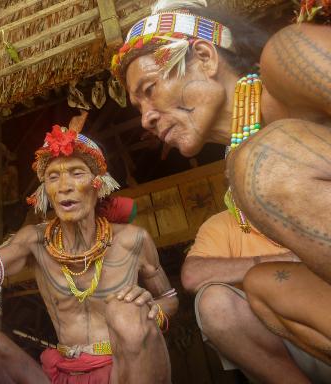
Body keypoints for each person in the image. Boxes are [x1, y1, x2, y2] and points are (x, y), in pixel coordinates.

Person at [111, 0, 331, 365]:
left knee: (261, 162)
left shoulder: (286, 58)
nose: (145, 119)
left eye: (149, 89)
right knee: (262, 286)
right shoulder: (247, 163)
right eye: (137, 108)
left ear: (205, 57)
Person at [0, 123, 179, 383]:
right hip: (63, 371)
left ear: (98, 184)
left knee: (128, 313)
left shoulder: (133, 239)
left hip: (123, 371)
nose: (64, 186)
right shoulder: (35, 240)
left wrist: (147, 312)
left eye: (76, 173)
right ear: (46, 191)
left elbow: (169, 297)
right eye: (54, 177)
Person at [182, 210, 331, 383]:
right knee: (214, 302)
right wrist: (285, 260)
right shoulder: (221, 223)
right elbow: (192, 276)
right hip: (281, 345)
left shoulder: (314, 207)